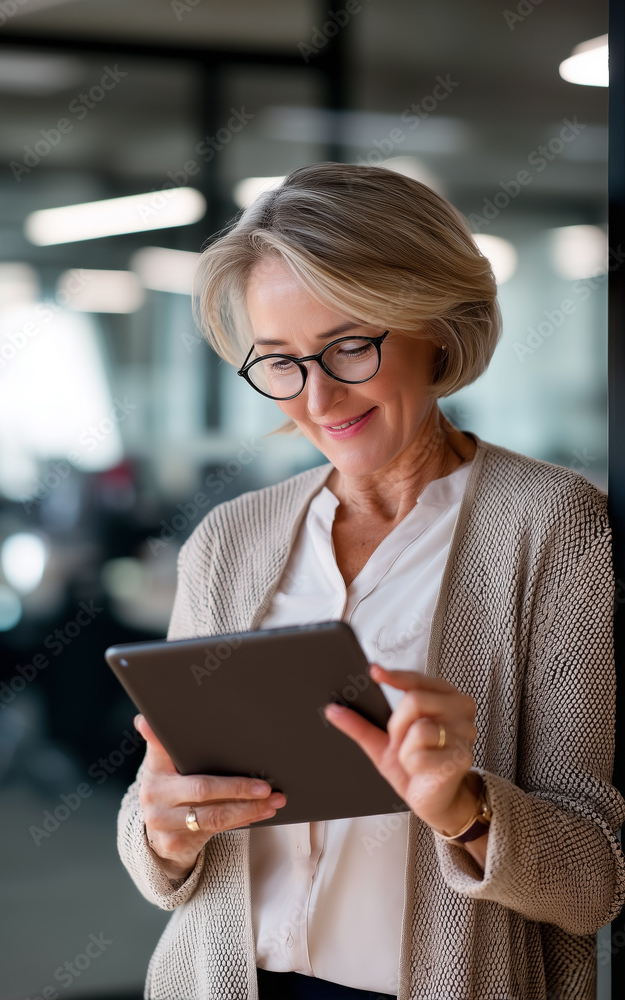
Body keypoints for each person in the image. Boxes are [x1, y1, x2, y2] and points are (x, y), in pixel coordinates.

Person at [116, 162, 625, 1000]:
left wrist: (464, 807)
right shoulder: (227, 541)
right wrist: (164, 834)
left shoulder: (553, 523)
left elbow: (591, 883)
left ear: (432, 323)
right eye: (279, 363)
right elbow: (157, 836)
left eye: (349, 345)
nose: (317, 398)